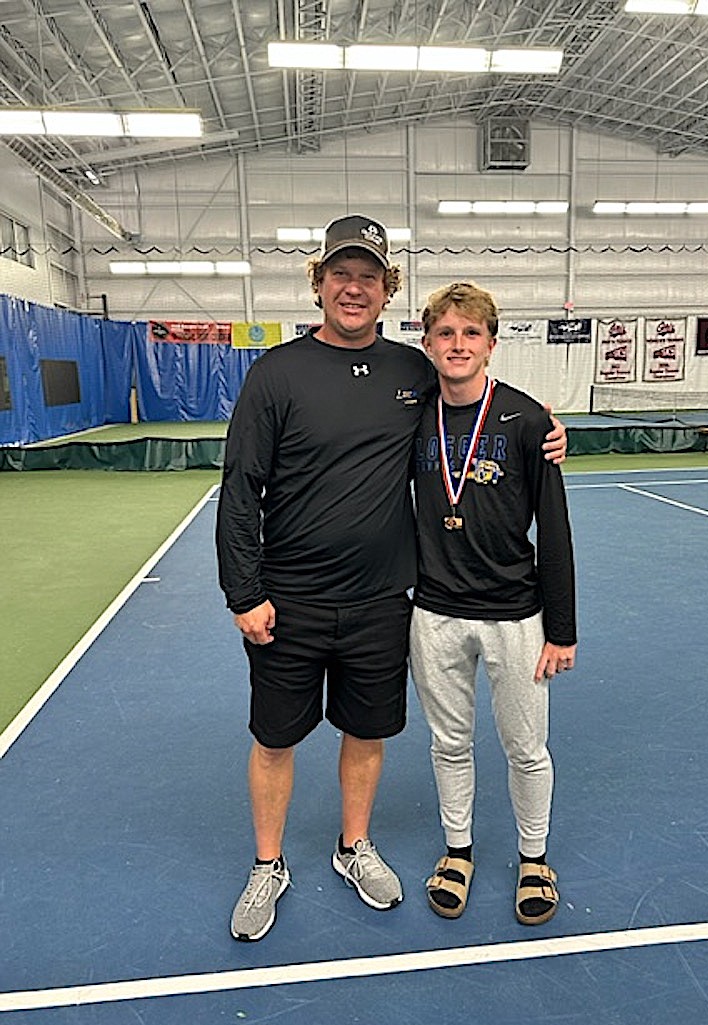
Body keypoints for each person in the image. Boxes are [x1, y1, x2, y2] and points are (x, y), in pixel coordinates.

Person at [216, 217, 568, 941]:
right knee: (275, 739)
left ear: (386, 291)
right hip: (289, 599)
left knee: (366, 733)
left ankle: (354, 847)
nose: (354, 288)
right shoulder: (274, 374)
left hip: (384, 602)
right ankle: (266, 863)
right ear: (319, 283)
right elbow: (239, 489)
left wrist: (545, 428)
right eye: (341, 274)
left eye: (369, 277)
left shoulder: (413, 371)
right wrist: (243, 592)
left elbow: (479, 397)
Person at [410, 281, 577, 926]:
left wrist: (561, 628)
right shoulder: (411, 413)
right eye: (445, 334)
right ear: (427, 344)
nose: (457, 345)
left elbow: (554, 528)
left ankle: (534, 859)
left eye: (470, 334)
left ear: (491, 344)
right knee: (448, 742)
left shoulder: (528, 420)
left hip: (515, 613)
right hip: (435, 612)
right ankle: (458, 850)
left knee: (525, 746)